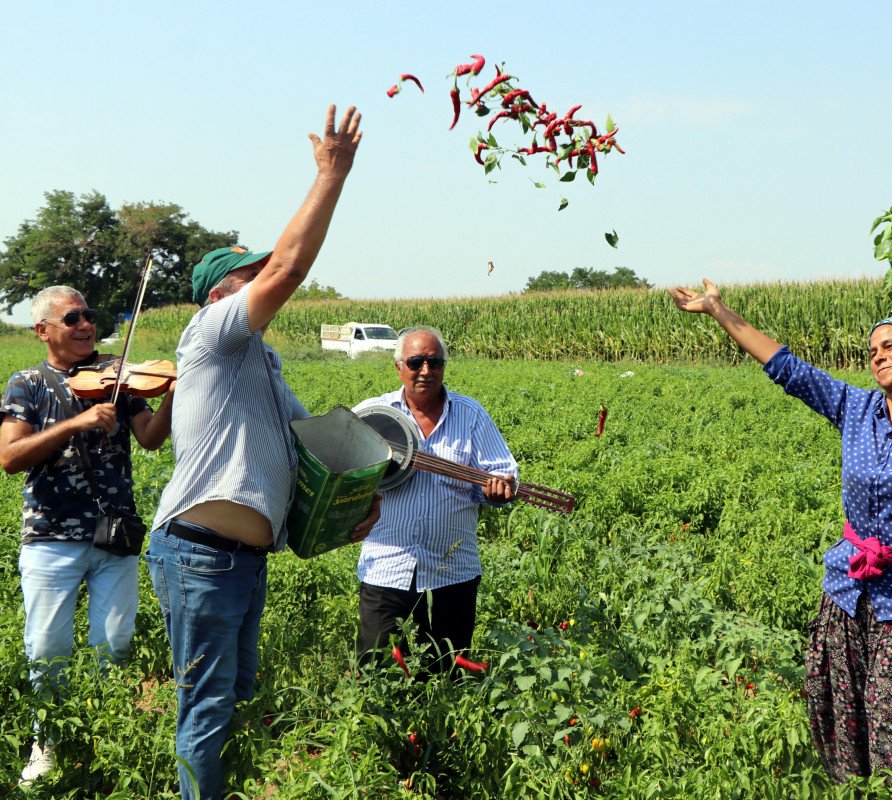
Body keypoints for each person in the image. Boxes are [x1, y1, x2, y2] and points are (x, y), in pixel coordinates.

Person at [668, 279, 892, 784]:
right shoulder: (856, 409)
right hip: (846, 588)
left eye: (889, 345)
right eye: (872, 351)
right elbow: (787, 368)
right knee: (837, 716)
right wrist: (720, 310)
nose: (877, 356)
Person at [144, 105, 379, 800]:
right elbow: (290, 265)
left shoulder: (265, 370)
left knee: (233, 697)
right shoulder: (211, 338)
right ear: (218, 297)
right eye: (249, 276)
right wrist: (332, 176)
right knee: (208, 709)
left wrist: (351, 509)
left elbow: (322, 460)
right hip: (200, 555)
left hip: (241, 564)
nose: (263, 280)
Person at [0, 285, 174, 784]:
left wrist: (173, 396)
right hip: (51, 536)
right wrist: (76, 422)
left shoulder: (118, 375)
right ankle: (47, 744)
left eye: (88, 316)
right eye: (71, 318)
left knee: (114, 643)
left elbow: (150, 439)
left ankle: (102, 741)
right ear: (43, 331)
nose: (84, 326)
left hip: (113, 535)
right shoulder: (27, 383)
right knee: (46, 647)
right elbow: (10, 458)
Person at [353, 326, 516, 675]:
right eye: (415, 362)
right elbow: (338, 463)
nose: (425, 371)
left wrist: (495, 490)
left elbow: (501, 473)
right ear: (398, 367)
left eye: (434, 362)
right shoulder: (373, 415)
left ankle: (439, 732)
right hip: (387, 567)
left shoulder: (471, 415)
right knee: (377, 672)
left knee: (447, 673)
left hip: (452, 569)